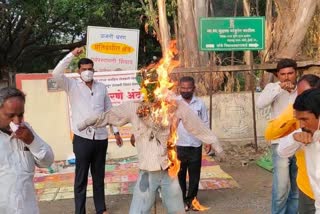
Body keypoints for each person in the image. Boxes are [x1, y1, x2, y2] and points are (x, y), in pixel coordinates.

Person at [77, 69, 226, 214]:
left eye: (156, 85)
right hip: (147, 172)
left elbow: (196, 126)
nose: (152, 89)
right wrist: (87, 122)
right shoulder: (133, 107)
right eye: (149, 85)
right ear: (143, 87)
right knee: (139, 211)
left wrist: (214, 142)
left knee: (176, 210)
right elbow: (109, 116)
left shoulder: (174, 106)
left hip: (168, 170)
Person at [52, 48, 123, 214]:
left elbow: (109, 110)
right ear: (79, 71)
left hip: (100, 138)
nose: (87, 72)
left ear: (94, 70)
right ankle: (80, 211)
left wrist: (116, 131)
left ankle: (100, 209)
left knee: (99, 177)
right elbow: (56, 74)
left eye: (90, 69)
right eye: (84, 69)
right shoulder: (71, 85)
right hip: (82, 139)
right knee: (81, 178)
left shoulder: (101, 88)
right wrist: (71, 55)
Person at [265, 74, 320, 213]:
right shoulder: (306, 131)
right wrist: (294, 115)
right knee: (281, 192)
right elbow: (275, 141)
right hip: (307, 188)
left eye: (307, 95)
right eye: (300, 95)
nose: (301, 124)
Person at [0, 87, 54, 214]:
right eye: (10, 115)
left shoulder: (25, 130)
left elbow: (47, 161)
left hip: (27, 208)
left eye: (20, 115)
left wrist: (32, 141)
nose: (16, 121)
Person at [256, 58, 299, 214]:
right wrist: (280, 88)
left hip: (300, 142)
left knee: (297, 187)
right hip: (279, 142)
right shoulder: (272, 87)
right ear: (277, 75)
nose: (287, 77)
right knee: (281, 187)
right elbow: (260, 104)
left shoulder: (302, 88)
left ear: (296, 73)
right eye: (283, 74)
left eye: (290, 73)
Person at [277, 88, 320, 213]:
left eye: (305, 119)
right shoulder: (306, 134)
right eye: (299, 120)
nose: (301, 125)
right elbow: (282, 151)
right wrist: (294, 138)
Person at [175, 76, 209, 211]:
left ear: (194, 88)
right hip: (178, 144)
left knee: (195, 175)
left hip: (195, 145)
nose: (185, 90)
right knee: (179, 175)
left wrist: (207, 140)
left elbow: (205, 123)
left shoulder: (200, 104)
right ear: (179, 88)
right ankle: (182, 200)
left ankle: (193, 199)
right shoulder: (174, 103)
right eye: (183, 88)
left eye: (188, 88)